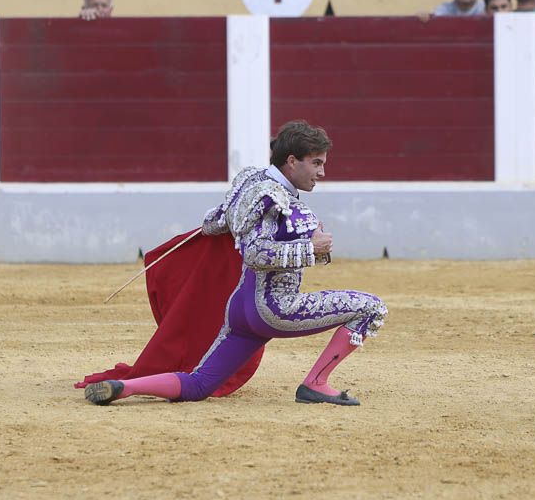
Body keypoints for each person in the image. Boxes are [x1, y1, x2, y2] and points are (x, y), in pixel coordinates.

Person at [83, 120, 387, 407]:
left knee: (199, 384)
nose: (322, 172)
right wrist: (311, 247)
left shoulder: (252, 180)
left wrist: (310, 247)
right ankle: (316, 383)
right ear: (292, 161)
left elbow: (215, 221)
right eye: (316, 163)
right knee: (372, 308)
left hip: (241, 309)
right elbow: (254, 253)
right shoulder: (273, 197)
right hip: (274, 308)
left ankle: (127, 389)